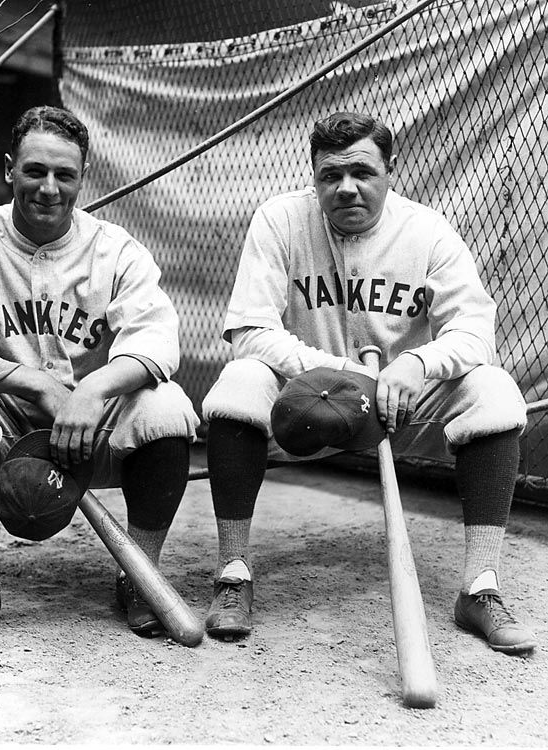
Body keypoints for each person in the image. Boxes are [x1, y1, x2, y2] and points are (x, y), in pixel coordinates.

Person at [200, 111, 537, 654]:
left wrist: (417, 365)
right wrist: (336, 373)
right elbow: (248, 330)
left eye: (361, 172)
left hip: (401, 406)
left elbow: (475, 332)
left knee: (494, 390)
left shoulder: (426, 230)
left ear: (390, 170)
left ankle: (481, 587)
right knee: (239, 382)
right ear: (313, 178)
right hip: (308, 401)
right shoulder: (280, 219)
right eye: (330, 175)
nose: (346, 187)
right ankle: (233, 572)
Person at [0, 106, 199, 645]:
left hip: (94, 424)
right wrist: (37, 383)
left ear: (82, 177)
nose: (48, 188)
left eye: (64, 174)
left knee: (168, 406)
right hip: (4, 423)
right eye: (34, 171)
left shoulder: (116, 248)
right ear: (8, 170)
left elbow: (157, 340)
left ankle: (138, 573)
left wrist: (94, 388)